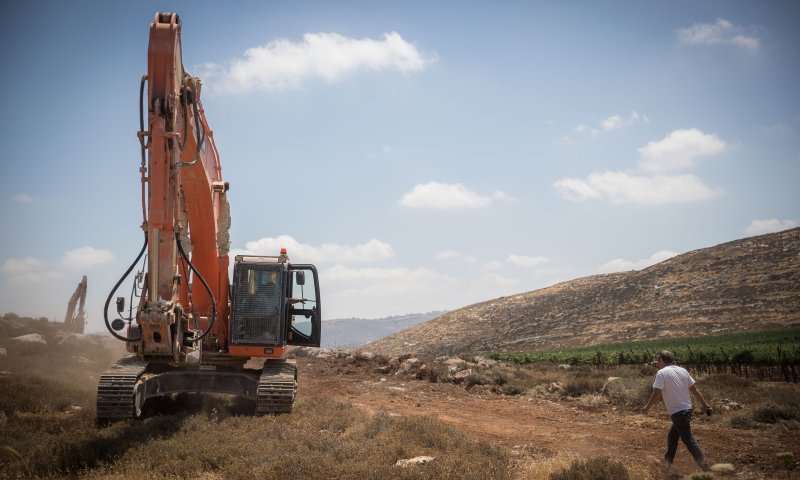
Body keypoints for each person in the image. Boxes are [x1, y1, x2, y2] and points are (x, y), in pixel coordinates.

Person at [642, 350, 712, 473]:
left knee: (688, 439)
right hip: (687, 409)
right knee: (673, 436)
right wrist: (705, 405)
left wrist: (647, 407)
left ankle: (704, 464)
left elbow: (657, 392)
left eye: (658, 360)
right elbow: (694, 389)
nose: (657, 363)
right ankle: (667, 463)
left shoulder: (661, 373)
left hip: (678, 412)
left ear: (661, 360)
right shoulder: (682, 370)